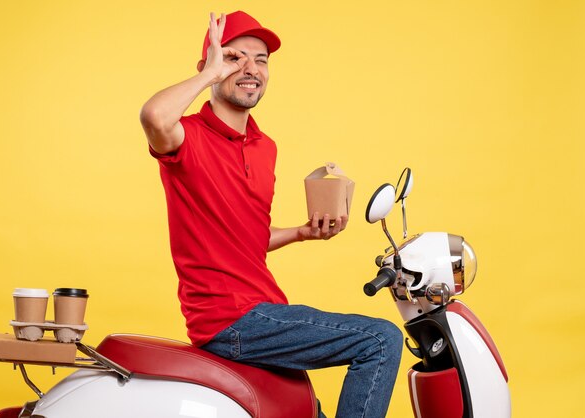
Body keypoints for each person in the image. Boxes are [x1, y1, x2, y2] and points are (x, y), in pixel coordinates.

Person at [140, 11, 403, 418]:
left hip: (264, 311)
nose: (251, 69)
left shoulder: (266, 147)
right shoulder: (185, 136)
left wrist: (301, 232)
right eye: (234, 58)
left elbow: (250, 238)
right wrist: (210, 73)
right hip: (230, 319)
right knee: (380, 339)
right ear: (209, 67)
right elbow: (154, 116)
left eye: (261, 60)